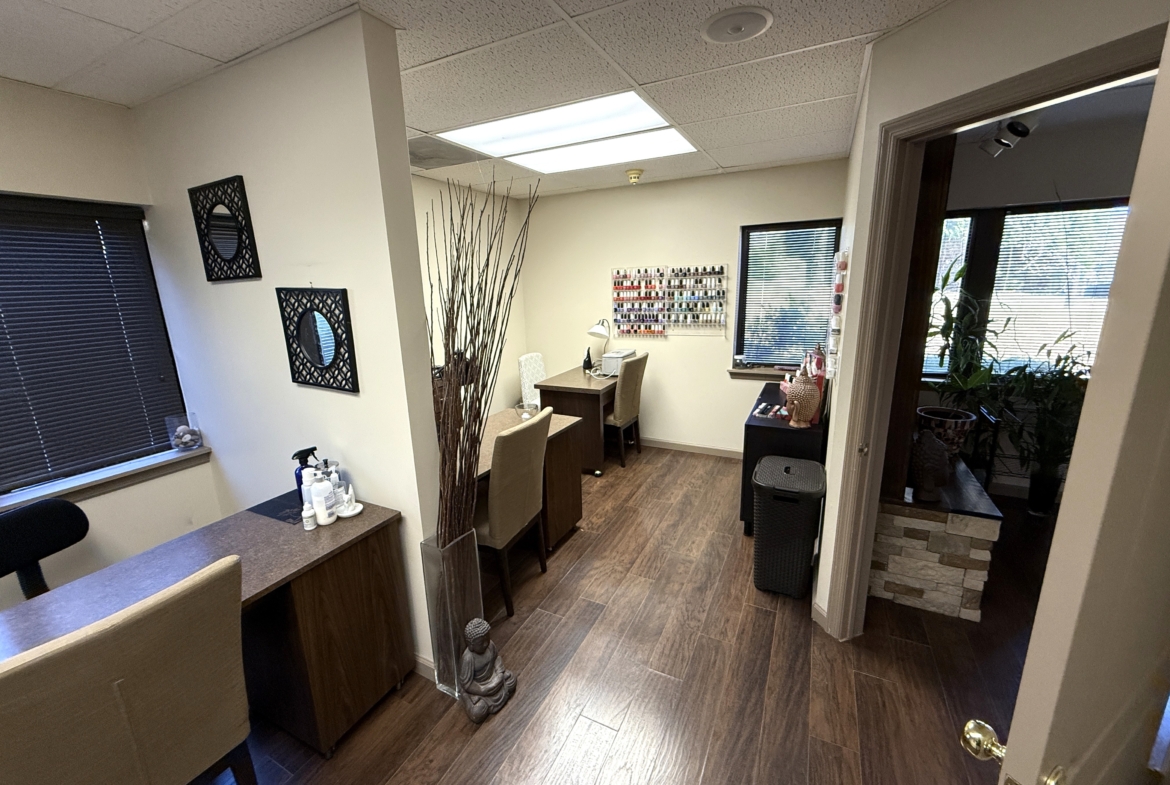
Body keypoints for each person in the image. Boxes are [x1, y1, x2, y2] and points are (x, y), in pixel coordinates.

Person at [457, 617, 516, 723]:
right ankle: (467, 698)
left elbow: (497, 658)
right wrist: (482, 690)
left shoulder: (490, 645)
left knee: (511, 678)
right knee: (477, 712)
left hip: (494, 678)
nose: (485, 643)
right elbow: (466, 684)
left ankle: (500, 689)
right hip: (480, 688)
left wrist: (499, 673)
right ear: (471, 645)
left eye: (487, 639)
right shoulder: (468, 658)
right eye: (481, 643)